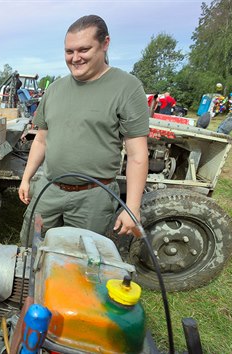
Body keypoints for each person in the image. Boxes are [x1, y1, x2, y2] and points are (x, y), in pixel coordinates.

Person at [18, 15, 149, 246]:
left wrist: (133, 208)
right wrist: (27, 178)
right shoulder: (55, 89)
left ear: (105, 44)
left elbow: (137, 154)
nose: (75, 58)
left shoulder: (127, 87)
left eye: (84, 49)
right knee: (32, 248)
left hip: (93, 198)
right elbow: (41, 140)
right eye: (69, 51)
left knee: (81, 261)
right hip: (48, 188)